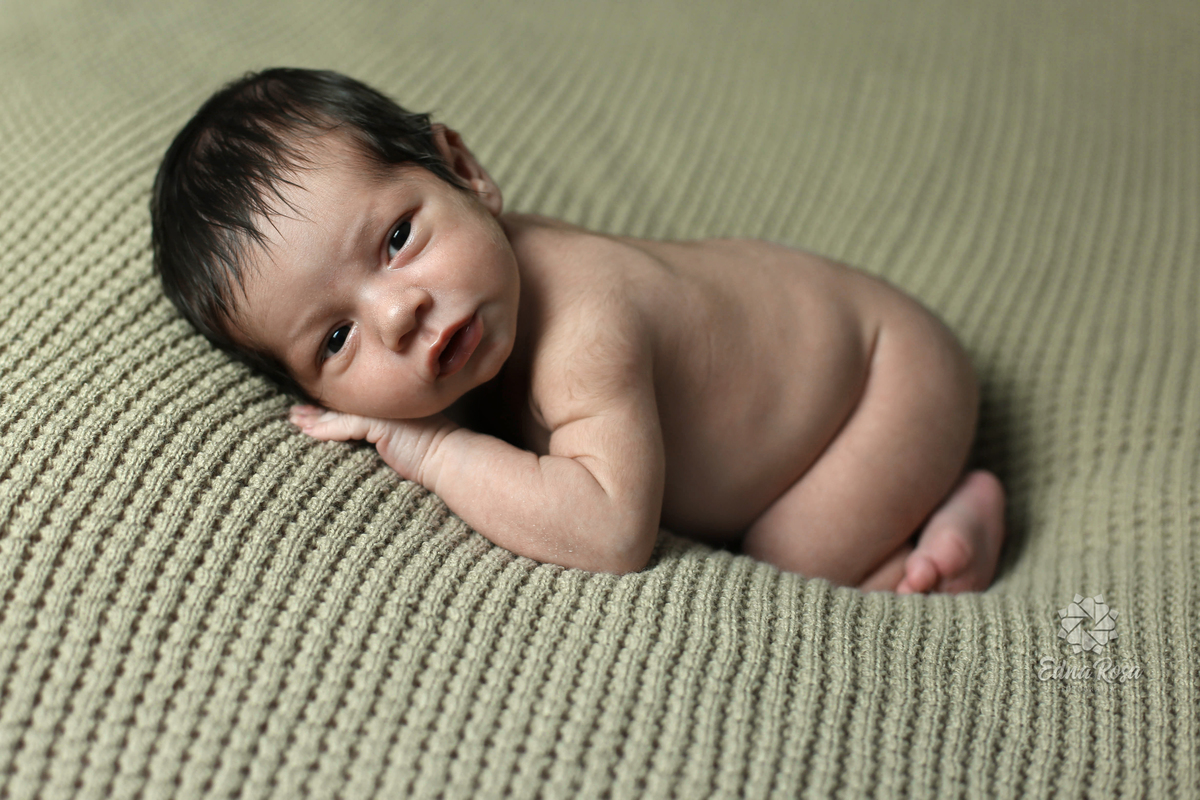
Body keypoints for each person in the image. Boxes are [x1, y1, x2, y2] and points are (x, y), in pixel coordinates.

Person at [151, 67, 1006, 592]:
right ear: (306, 391)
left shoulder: (584, 325)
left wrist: (433, 451)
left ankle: (946, 530)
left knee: (788, 557)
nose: (396, 313)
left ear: (466, 173)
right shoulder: (480, 287)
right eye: (334, 340)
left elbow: (611, 531)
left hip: (882, 379)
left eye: (398, 239)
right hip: (819, 348)